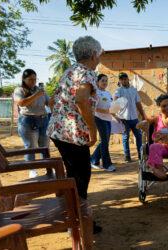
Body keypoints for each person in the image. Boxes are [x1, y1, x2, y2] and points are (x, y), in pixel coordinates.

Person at [47, 36, 102, 233]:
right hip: (73, 134)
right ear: (94, 55)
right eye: (100, 55)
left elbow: (53, 100)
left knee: (74, 175)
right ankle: (79, 223)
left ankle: (74, 218)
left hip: (59, 130)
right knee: (81, 176)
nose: (99, 59)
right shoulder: (87, 73)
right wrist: (92, 129)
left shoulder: (69, 71)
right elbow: (81, 99)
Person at [137, 94, 168, 185]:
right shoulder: (156, 119)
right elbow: (146, 122)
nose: (167, 108)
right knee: (153, 146)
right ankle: (160, 171)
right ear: (159, 107)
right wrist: (142, 124)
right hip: (161, 147)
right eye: (164, 106)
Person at [14, 69, 50, 178]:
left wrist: (57, 97)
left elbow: (48, 102)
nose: (33, 82)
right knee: (31, 147)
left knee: (45, 147)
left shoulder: (40, 90)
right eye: (30, 79)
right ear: (24, 79)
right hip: (28, 120)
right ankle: (32, 169)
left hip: (43, 120)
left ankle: (48, 168)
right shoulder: (19, 90)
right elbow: (21, 103)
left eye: (35, 79)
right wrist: (36, 95)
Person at [114, 72, 147, 163]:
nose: (124, 80)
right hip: (124, 119)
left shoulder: (133, 90)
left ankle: (140, 155)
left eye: (125, 78)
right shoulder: (118, 91)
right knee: (125, 137)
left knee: (138, 136)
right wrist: (118, 116)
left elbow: (138, 103)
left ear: (128, 79)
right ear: (120, 81)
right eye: (122, 79)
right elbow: (114, 103)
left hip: (134, 118)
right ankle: (127, 156)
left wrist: (143, 115)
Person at [91, 74, 116, 172]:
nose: (105, 83)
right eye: (102, 81)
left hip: (108, 119)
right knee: (105, 142)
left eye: (106, 80)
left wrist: (116, 116)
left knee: (105, 142)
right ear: (97, 82)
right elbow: (93, 108)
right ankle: (107, 165)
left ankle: (93, 159)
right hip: (99, 119)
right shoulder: (95, 93)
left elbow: (111, 107)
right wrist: (103, 111)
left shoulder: (108, 93)